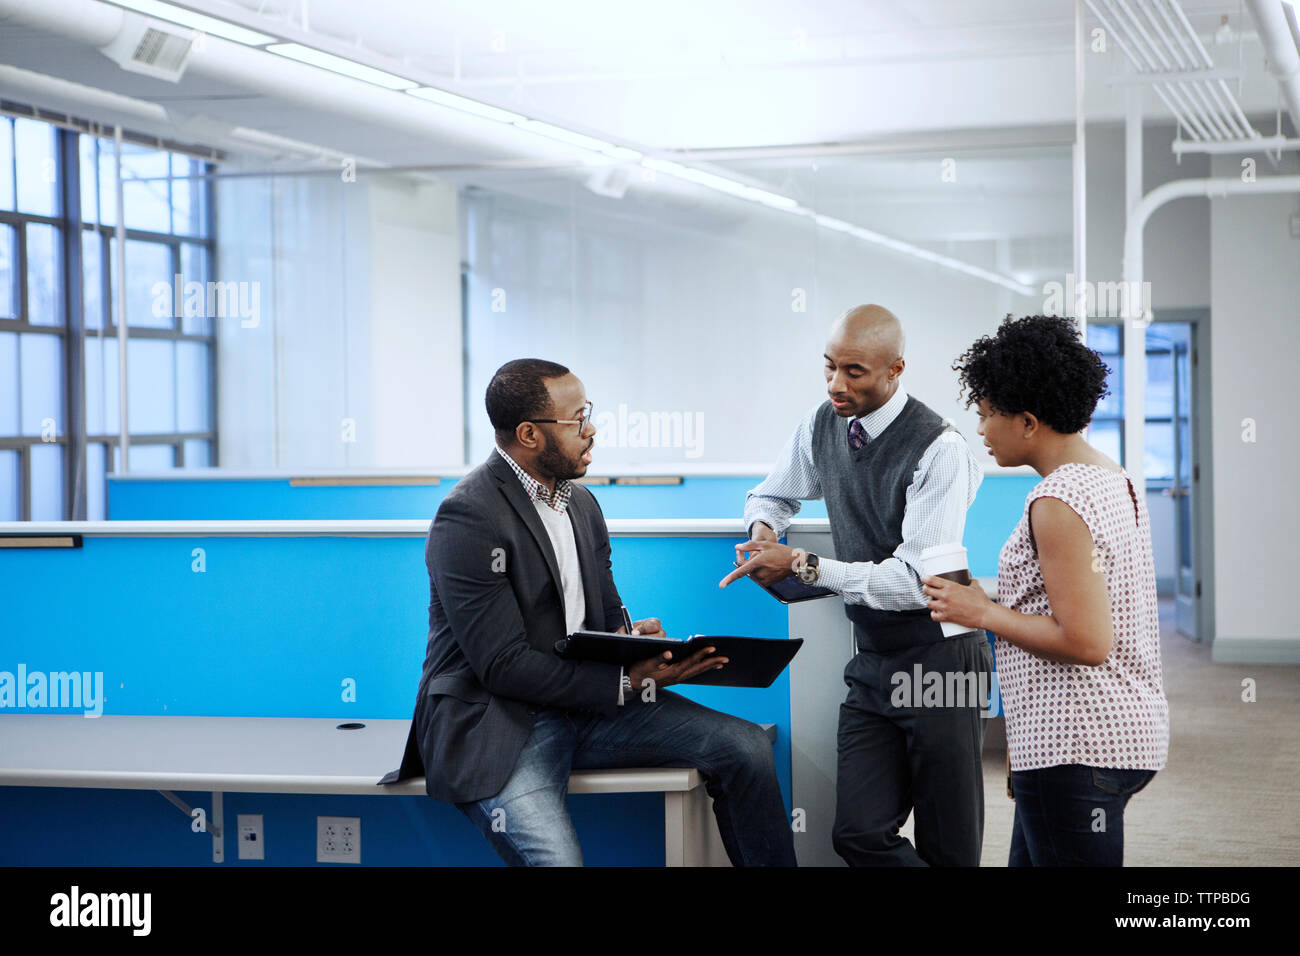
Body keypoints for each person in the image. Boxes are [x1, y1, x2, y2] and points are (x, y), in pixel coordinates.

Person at [382, 358, 797, 867]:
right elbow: (501, 665)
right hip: (500, 721)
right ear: (530, 434)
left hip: (587, 708)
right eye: (577, 418)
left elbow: (595, 620)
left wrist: (632, 640)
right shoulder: (467, 516)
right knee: (558, 860)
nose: (592, 429)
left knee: (747, 749)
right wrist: (625, 682)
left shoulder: (581, 504)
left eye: (589, 414)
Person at [720, 304, 990, 866]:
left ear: (896, 369)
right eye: (829, 367)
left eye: (854, 372)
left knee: (951, 850)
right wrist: (765, 533)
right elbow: (769, 494)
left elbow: (918, 583)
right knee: (857, 836)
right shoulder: (824, 423)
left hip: (943, 659)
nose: (835, 384)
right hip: (873, 658)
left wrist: (804, 565)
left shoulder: (940, 448)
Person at [922, 314, 1169, 867]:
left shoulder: (1058, 502)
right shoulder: (1112, 477)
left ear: (1029, 421)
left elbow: (1086, 641)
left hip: (1080, 745)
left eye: (987, 415)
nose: (980, 430)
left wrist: (979, 611)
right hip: (1099, 733)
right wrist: (1025, 746)